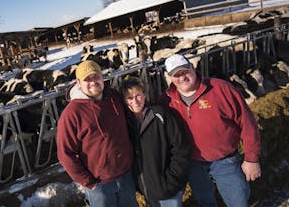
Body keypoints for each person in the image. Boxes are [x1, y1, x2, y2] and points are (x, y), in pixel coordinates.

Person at [159, 54, 261, 207]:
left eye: (184, 71)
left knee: (238, 201)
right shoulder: (166, 100)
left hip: (225, 161)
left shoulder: (220, 89)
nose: (182, 77)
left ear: (192, 68)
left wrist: (251, 158)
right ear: (169, 77)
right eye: (176, 75)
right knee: (205, 201)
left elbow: (247, 123)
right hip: (192, 163)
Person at [56, 60, 138, 207]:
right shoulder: (72, 113)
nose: (93, 82)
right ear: (78, 82)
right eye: (87, 79)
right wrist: (88, 182)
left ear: (102, 77)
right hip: (100, 184)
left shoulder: (114, 96)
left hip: (126, 174)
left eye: (96, 77)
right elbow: (65, 154)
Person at [120, 77, 191, 207]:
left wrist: (172, 180)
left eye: (138, 96)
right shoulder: (126, 123)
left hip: (168, 189)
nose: (135, 101)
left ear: (144, 95)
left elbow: (181, 148)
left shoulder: (160, 115)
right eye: (129, 98)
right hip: (147, 191)